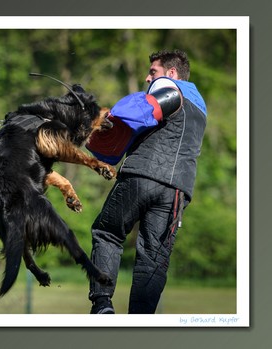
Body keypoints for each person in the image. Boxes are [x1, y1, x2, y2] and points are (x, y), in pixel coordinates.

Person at [85, 49, 207, 314]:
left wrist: (106, 120)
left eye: (152, 71)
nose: (147, 77)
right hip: (177, 191)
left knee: (107, 233)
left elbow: (146, 110)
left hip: (141, 175)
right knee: (154, 257)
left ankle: (102, 305)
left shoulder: (169, 87)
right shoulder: (200, 106)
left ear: (171, 73)